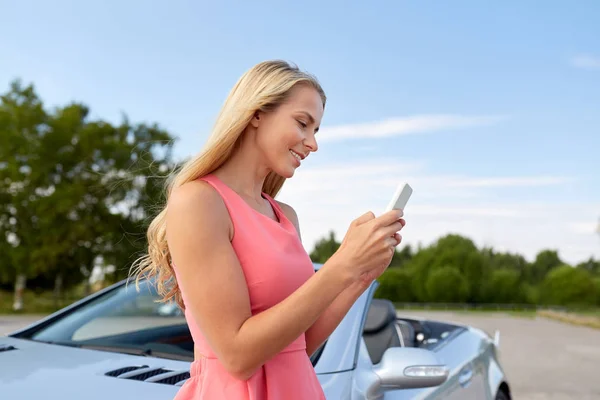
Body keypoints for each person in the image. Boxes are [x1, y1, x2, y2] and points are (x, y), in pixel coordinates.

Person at [130, 60, 405, 399]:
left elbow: (297, 345)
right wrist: (341, 265)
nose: (312, 143)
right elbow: (237, 356)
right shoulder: (198, 201)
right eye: (303, 123)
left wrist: (358, 276)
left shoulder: (285, 215)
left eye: (316, 130)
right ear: (257, 113)